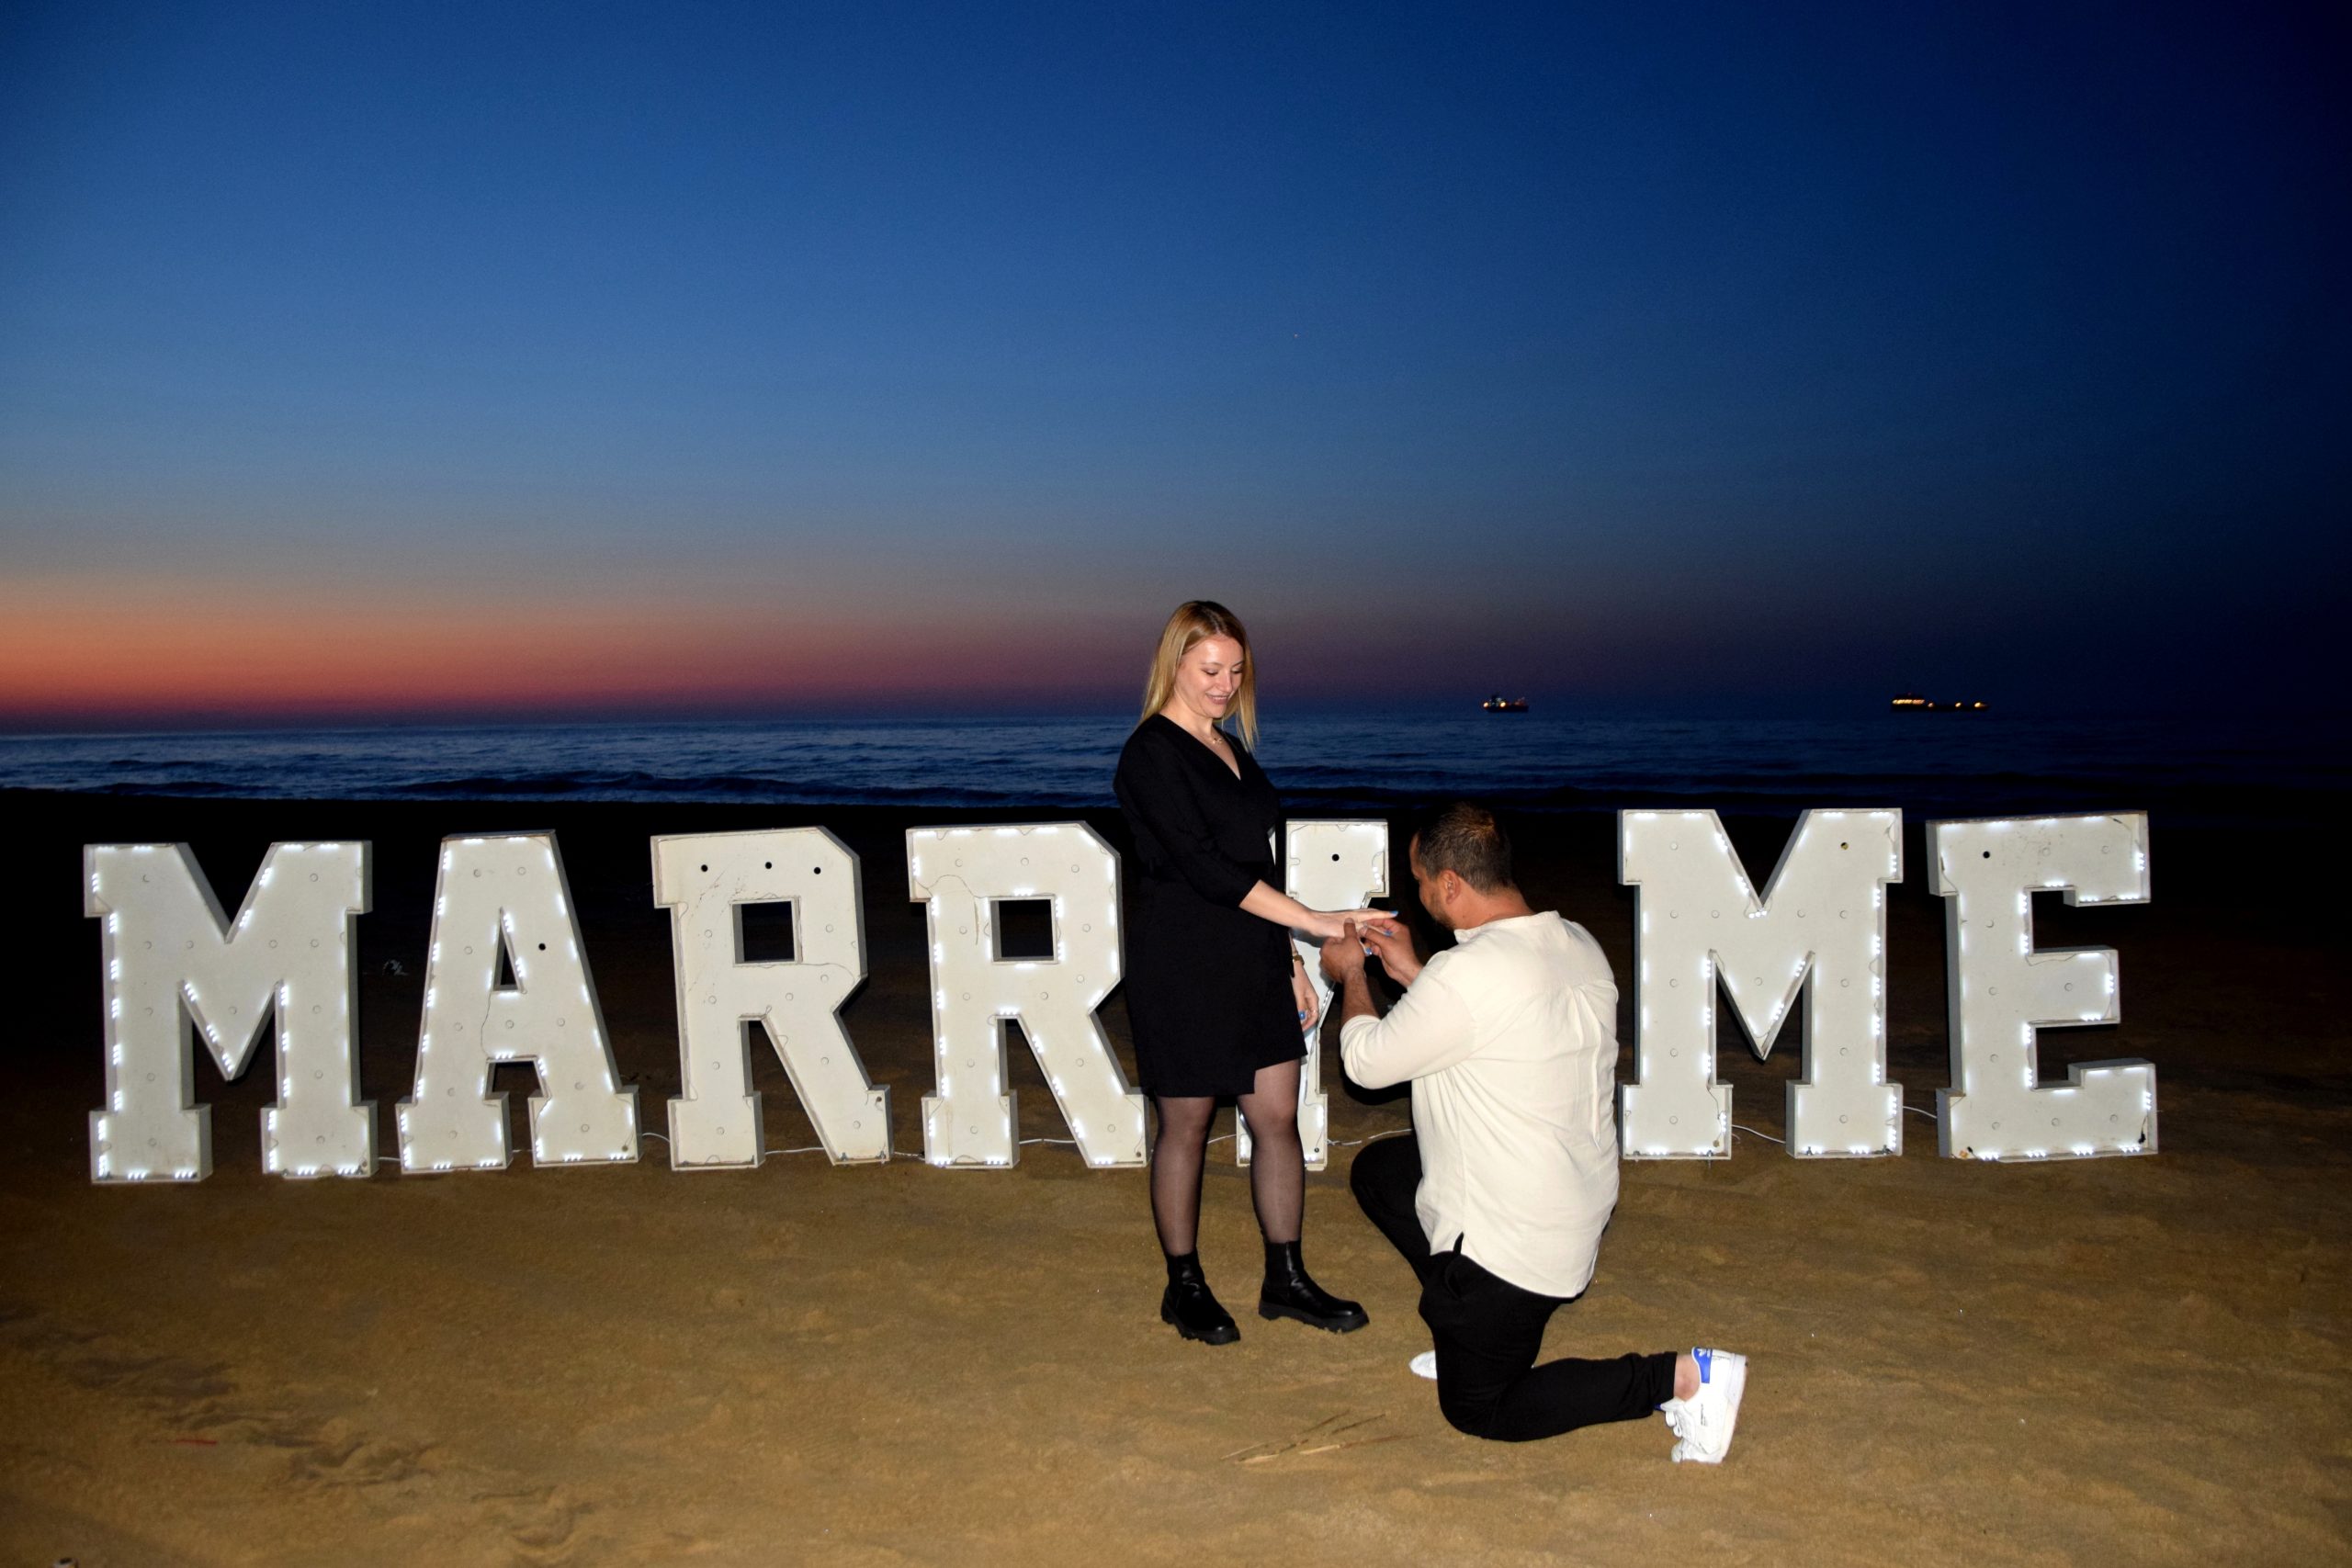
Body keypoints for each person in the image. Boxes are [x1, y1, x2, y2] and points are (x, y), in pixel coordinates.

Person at [1320, 803, 1747, 1461]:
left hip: (1514, 1248)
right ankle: (1463, 1328)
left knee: (1479, 1408)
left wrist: (1351, 974)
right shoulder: (1577, 943)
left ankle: (1684, 1378)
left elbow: (1365, 1064)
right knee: (1382, 1173)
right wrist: (1410, 971)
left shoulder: (1467, 975)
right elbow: (1488, 1019)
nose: (1418, 892)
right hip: (1574, 1206)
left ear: (1451, 884)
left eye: (1421, 880)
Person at [1114, 600, 1378, 1346]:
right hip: (1182, 963)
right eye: (1209, 670)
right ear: (1174, 663)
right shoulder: (1149, 754)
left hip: (1253, 957)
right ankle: (1185, 1287)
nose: (1225, 685)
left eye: (1235, 671)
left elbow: (1256, 862)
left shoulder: (1231, 747)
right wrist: (1315, 921)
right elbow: (1203, 868)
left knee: (1275, 1118)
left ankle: (1285, 1279)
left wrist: (1288, 957)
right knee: (1187, 1124)